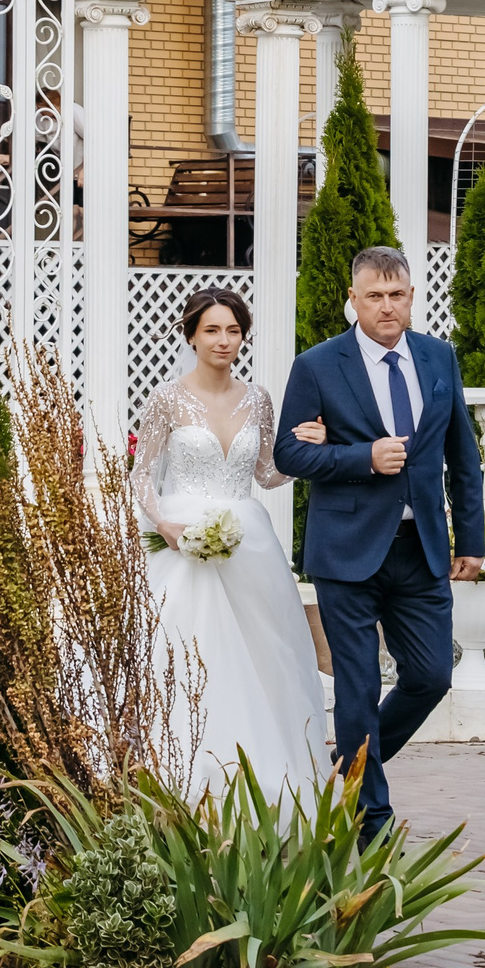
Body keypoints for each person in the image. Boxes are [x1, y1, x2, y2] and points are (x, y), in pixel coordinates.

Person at [274, 246, 485, 844]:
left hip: (420, 548)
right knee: (360, 685)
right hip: (346, 550)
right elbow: (289, 453)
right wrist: (360, 458)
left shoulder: (438, 358)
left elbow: (461, 455)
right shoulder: (317, 366)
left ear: (412, 296)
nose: (386, 306)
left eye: (397, 295)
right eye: (374, 295)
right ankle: (371, 818)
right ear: (354, 299)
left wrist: (471, 538)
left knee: (431, 675)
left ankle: (347, 772)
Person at [131, 287, 333, 802]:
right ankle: (181, 781)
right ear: (192, 335)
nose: (224, 341)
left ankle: (265, 780)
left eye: (234, 330)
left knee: (265, 656)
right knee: (189, 655)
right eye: (213, 330)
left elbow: (266, 474)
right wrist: (164, 525)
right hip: (180, 548)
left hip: (248, 546)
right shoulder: (166, 400)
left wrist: (308, 451)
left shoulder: (259, 400)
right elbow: (140, 475)